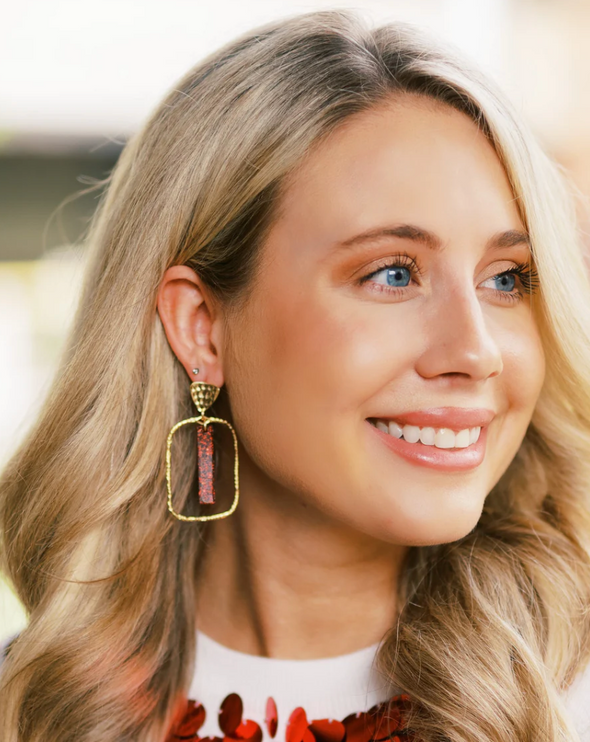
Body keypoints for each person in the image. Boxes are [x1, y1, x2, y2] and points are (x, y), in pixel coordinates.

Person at [2, 8, 590, 742]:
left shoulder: (564, 704)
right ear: (201, 328)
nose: (476, 352)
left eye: (508, 280)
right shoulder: (35, 705)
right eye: (393, 273)